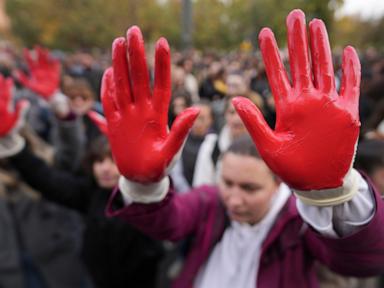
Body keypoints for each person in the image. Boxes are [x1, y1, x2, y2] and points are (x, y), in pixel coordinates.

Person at [101, 9, 384, 288]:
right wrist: (143, 188)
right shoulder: (211, 204)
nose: (234, 200)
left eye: (250, 188)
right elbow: (168, 223)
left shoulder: (298, 223)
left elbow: (364, 261)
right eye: (228, 183)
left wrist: (331, 194)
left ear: (277, 184)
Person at [0, 79, 164, 287]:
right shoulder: (90, 192)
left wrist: (149, 186)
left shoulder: (145, 202)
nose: (104, 168)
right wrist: (15, 149)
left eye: (113, 161)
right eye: (99, 161)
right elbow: (47, 179)